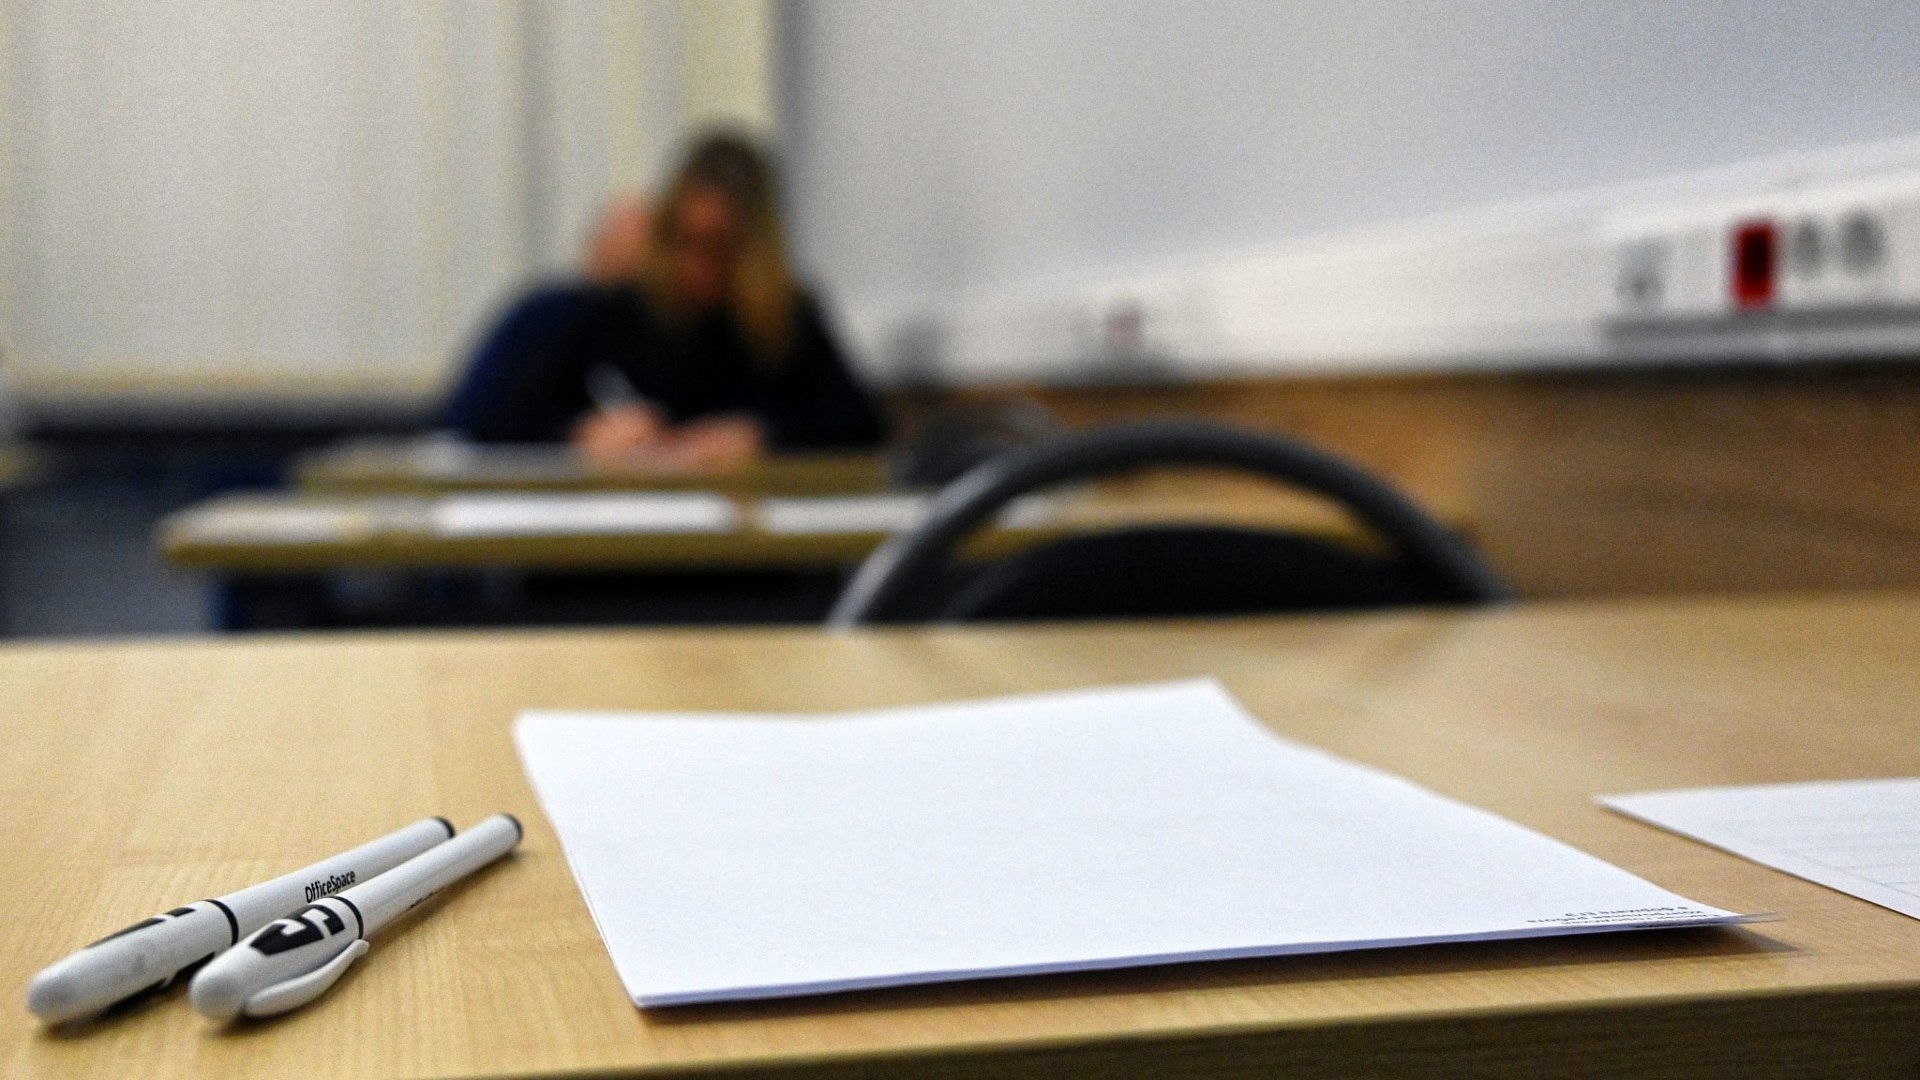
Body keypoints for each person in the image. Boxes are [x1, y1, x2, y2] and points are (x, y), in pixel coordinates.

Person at [442, 131, 887, 467]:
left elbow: (860, 427)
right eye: (682, 241)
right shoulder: (603, 312)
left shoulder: (786, 321)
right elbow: (471, 417)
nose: (696, 265)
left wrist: (762, 437)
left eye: (720, 248)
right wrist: (575, 433)